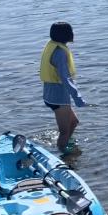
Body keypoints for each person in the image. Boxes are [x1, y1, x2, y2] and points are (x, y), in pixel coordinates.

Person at [40, 22, 85, 152]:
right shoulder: (59, 52)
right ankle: (63, 155)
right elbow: (65, 78)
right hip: (58, 96)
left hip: (49, 93)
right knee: (64, 132)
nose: (73, 34)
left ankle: (66, 147)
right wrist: (77, 97)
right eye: (71, 31)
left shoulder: (52, 45)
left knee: (74, 122)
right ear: (67, 35)